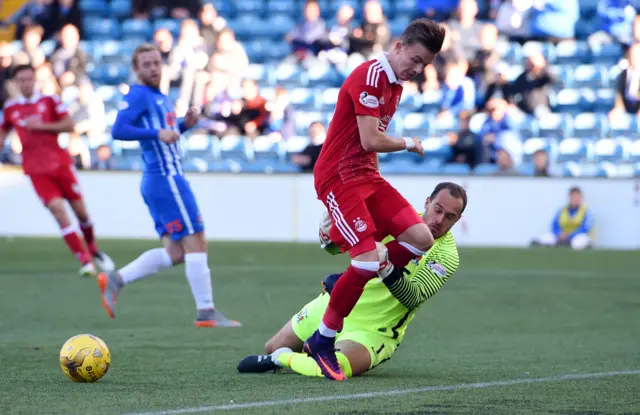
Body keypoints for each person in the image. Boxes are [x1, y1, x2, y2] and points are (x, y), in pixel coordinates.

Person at [306, 18, 446, 381]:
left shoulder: (394, 84)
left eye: (425, 65)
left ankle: (348, 270)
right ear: (398, 46)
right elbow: (371, 139)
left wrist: (377, 183)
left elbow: (369, 144)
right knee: (368, 262)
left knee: (421, 239)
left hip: (366, 175)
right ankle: (323, 339)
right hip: (338, 176)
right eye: (415, 59)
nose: (417, 69)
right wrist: (409, 142)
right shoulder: (370, 77)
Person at [237, 182, 465, 379]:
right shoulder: (399, 217)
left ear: (458, 220)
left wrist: (386, 267)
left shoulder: (446, 256)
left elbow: (412, 298)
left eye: (449, 217)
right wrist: (329, 238)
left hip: (376, 329)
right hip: (339, 301)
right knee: (272, 345)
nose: (439, 220)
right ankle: (293, 352)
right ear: (427, 202)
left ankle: (282, 359)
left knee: (338, 368)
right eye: (438, 209)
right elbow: (346, 246)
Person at [99, 43, 241, 328]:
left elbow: (167, 131)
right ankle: (206, 312)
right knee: (197, 239)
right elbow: (118, 129)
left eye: (156, 63)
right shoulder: (139, 95)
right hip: (166, 179)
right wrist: (157, 132)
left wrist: (184, 125)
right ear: (136, 69)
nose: (153, 68)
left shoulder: (159, 97)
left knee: (176, 253)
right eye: (146, 64)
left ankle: (115, 280)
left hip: (161, 181)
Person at [0, 64, 114, 277]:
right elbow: (3, 132)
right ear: (16, 83)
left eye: (28, 79)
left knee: (82, 214)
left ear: (35, 80)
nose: (25, 84)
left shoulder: (49, 100)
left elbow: (69, 124)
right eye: (21, 80)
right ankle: (85, 261)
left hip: (60, 164)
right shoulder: (11, 108)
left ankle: (93, 249)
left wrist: (40, 126)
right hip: (35, 170)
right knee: (58, 211)